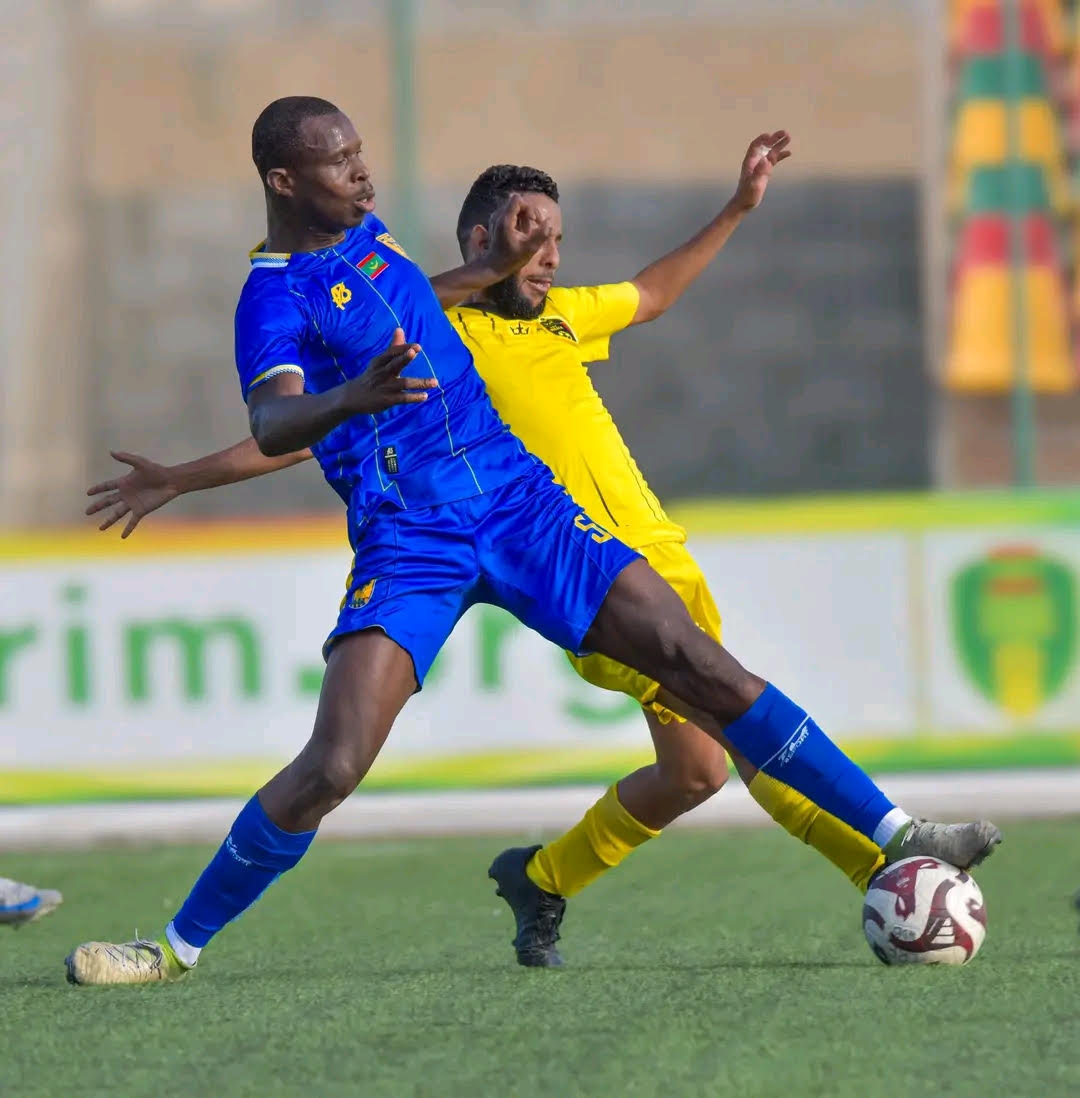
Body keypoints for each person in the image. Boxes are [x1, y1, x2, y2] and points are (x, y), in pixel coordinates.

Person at [66, 97, 999, 986]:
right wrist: (344, 400)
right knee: (333, 766)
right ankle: (172, 948)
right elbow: (275, 422)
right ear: (283, 181)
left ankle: (899, 832)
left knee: (697, 665)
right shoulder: (270, 298)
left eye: (359, 154)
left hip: (519, 503)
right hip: (410, 536)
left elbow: (417, 297)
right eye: (340, 162)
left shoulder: (375, 240)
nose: (363, 173)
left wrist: (499, 266)